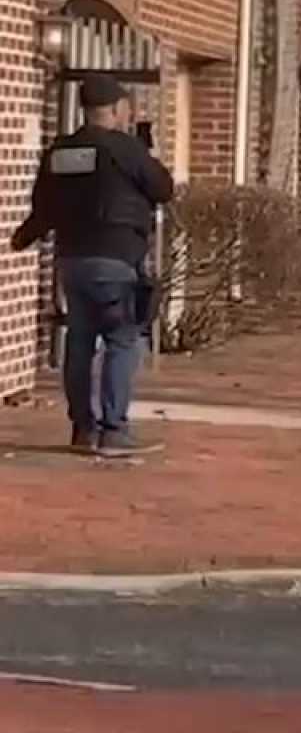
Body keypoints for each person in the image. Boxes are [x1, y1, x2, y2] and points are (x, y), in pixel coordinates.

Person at [10, 74, 175, 457]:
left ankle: (83, 428)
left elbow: (43, 207)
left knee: (80, 342)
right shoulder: (126, 149)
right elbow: (163, 189)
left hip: (72, 260)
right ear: (118, 109)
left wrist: (22, 239)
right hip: (116, 258)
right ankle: (114, 430)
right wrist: (146, 153)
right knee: (123, 339)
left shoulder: (61, 151)